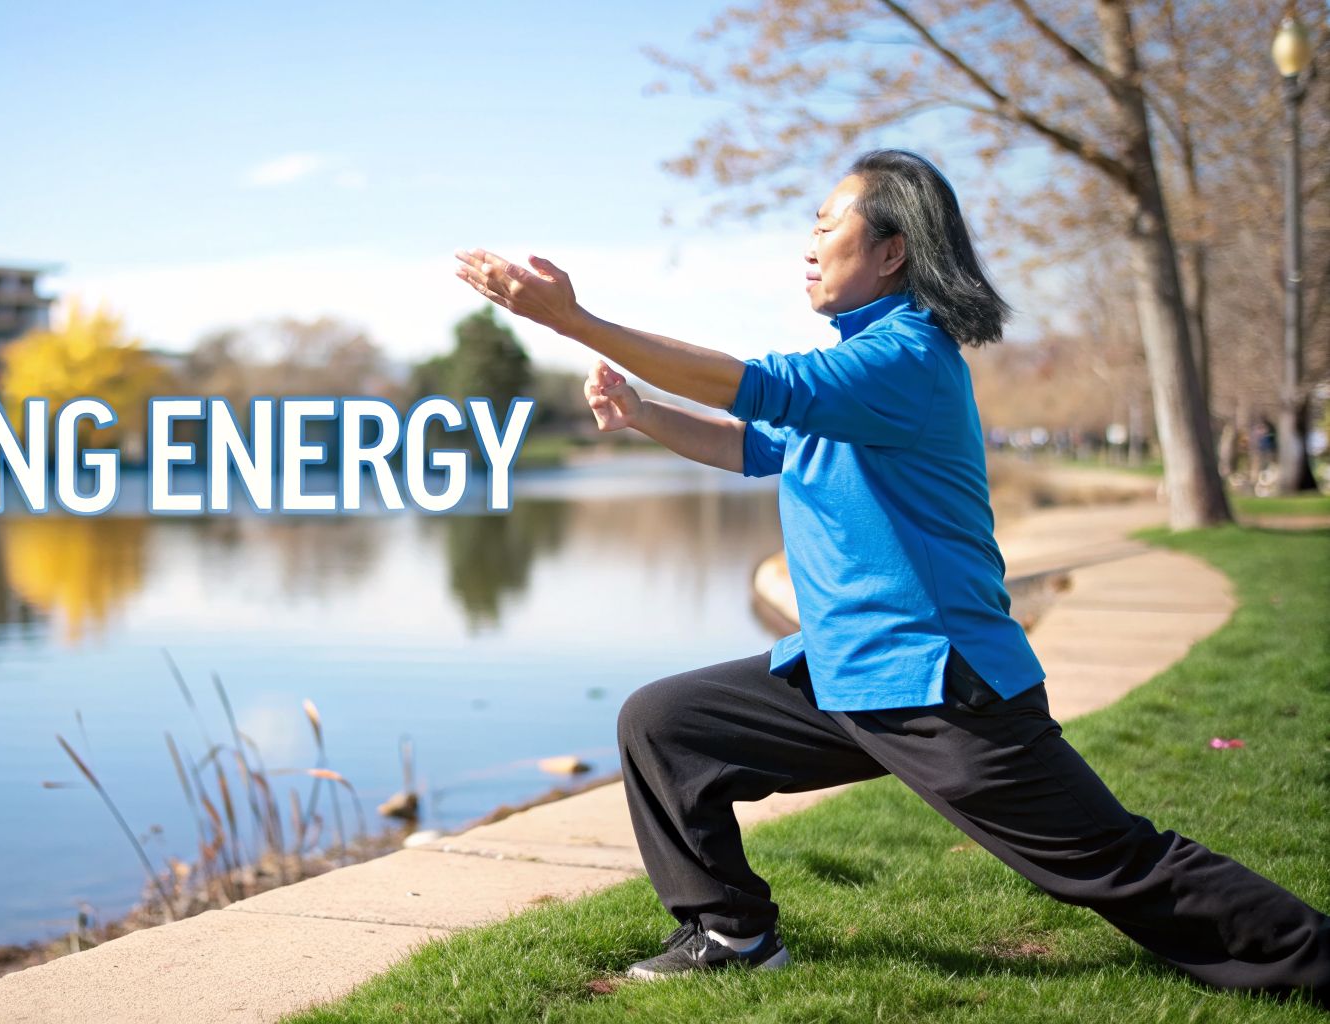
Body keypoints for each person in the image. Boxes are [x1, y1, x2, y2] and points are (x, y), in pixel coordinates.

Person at [451, 148, 1330, 998]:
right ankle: (733, 936)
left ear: (891, 251)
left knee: (1109, 864)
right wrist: (645, 416)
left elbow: (749, 387)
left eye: (826, 225)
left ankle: (1310, 956)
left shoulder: (903, 356)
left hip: (936, 686)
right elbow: (753, 444)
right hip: (845, 675)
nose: (807, 245)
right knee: (667, 725)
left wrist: (574, 319)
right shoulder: (858, 366)